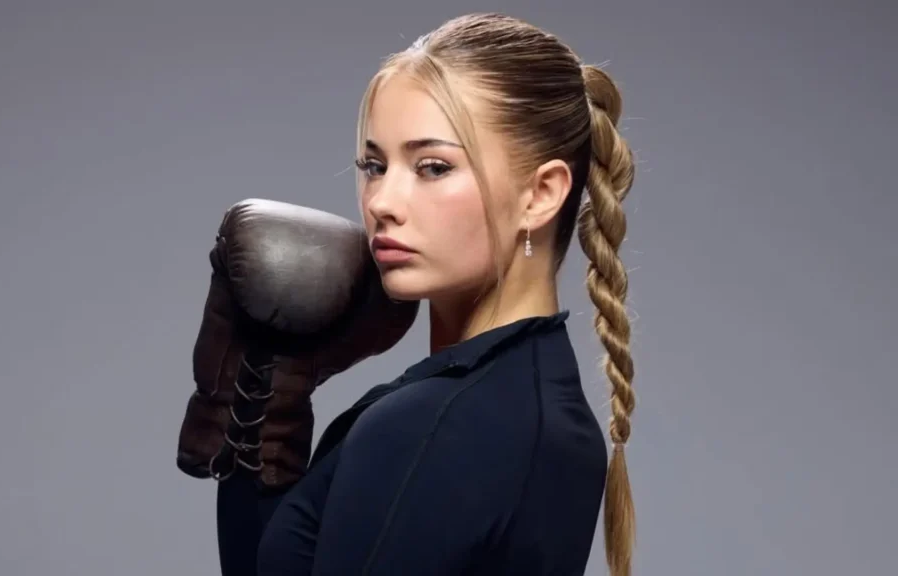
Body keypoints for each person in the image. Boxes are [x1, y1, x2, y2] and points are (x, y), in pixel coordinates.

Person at [178, 12, 638, 576]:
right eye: (374, 165)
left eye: (433, 167)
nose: (381, 202)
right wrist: (271, 389)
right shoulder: (538, 401)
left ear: (541, 194)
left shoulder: (438, 423)